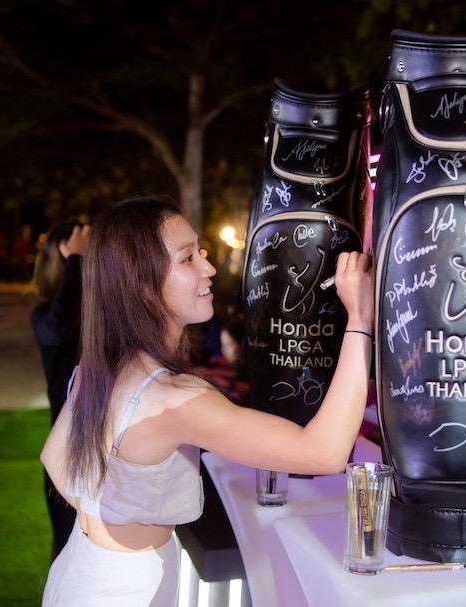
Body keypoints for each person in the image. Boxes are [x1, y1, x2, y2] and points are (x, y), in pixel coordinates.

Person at [40, 196, 373, 606]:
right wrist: (360, 319)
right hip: (128, 589)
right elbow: (324, 453)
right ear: (142, 286)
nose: (209, 268)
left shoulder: (100, 366)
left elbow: (53, 457)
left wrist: (109, 509)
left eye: (200, 252)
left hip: (82, 567)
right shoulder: (173, 399)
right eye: (187, 259)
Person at [31, 220, 89, 558]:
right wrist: (75, 261)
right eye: (82, 251)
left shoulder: (100, 311)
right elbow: (56, 329)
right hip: (66, 450)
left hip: (109, 446)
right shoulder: (44, 316)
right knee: (68, 547)